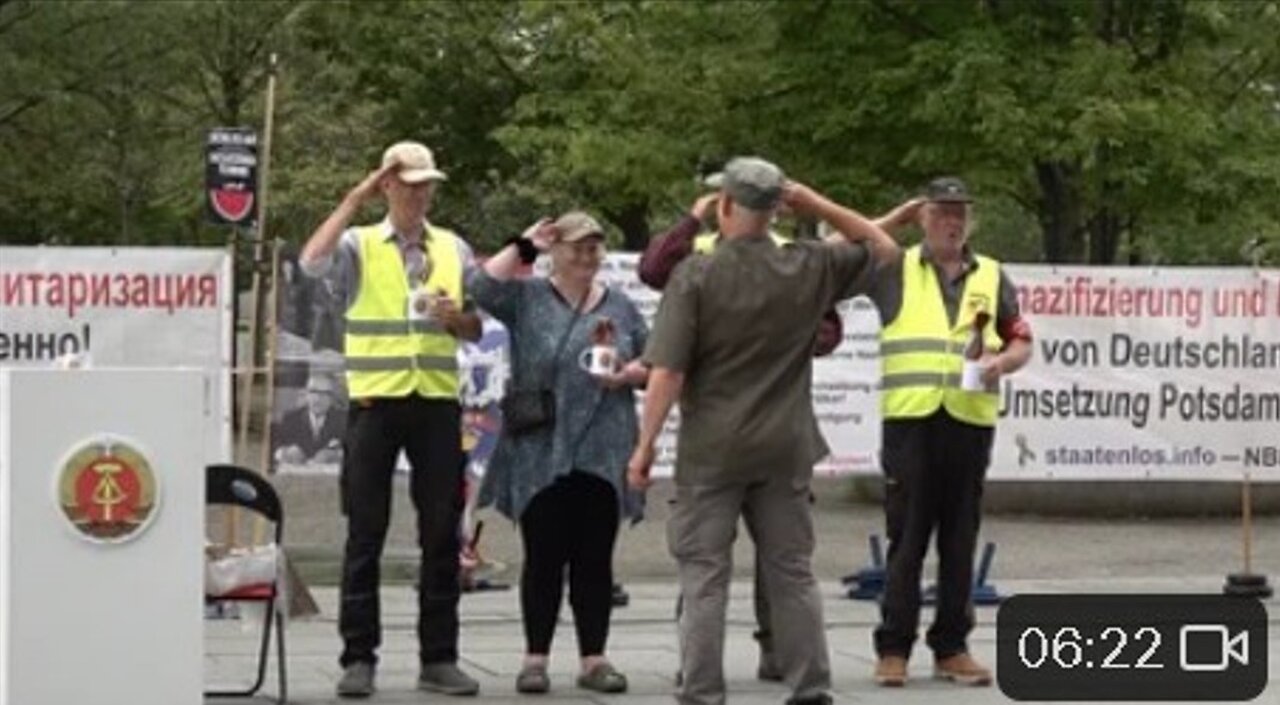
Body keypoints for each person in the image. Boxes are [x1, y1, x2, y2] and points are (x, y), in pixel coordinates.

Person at [628, 157, 889, 705]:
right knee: (791, 571)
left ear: (724, 205)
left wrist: (645, 446)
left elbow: (668, 372)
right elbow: (881, 248)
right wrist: (816, 205)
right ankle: (810, 684)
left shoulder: (696, 275)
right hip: (785, 446)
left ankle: (702, 689)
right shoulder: (808, 264)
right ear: (776, 210)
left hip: (713, 450)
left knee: (704, 574)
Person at [299, 140, 483, 699]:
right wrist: (352, 199)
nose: (420, 193)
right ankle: (359, 657)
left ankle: (440, 657)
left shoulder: (452, 246)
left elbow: (476, 328)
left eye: (427, 183)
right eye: (409, 183)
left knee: (440, 534)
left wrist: (457, 319)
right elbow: (310, 263)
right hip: (375, 402)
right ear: (386, 186)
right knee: (365, 533)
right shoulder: (359, 243)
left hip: (434, 401)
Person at [861, 177, 1034, 688]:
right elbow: (849, 243)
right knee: (907, 538)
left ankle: (952, 645)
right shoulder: (895, 267)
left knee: (960, 540)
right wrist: (894, 215)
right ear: (922, 217)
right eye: (940, 213)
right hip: (911, 420)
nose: (952, 223)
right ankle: (893, 647)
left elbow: (1021, 340)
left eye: (960, 213)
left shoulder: (993, 275)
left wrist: (1005, 362)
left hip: (968, 421)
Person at [469, 211, 648, 695]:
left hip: (604, 447)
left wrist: (629, 374)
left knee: (595, 559)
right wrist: (524, 244)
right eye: (576, 247)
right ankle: (535, 658)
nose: (587, 256)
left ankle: (595, 658)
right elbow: (478, 288)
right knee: (544, 556)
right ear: (556, 251)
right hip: (540, 448)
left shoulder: (622, 307)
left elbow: (654, 363)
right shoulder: (527, 298)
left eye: (594, 247)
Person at [273, 370, 345, 467]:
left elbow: (355, 450)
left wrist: (336, 455)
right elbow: (275, 448)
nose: (318, 398)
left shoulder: (343, 419)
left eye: (324, 393)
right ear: (306, 394)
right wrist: (285, 452)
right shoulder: (290, 418)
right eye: (313, 392)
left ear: (332, 398)